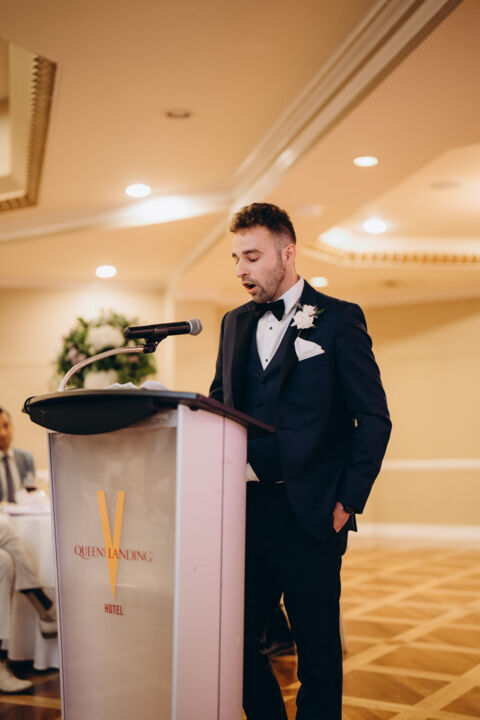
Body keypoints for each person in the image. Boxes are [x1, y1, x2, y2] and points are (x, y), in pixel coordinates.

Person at [209, 203, 391, 719]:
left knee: (318, 655)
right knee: (237, 648)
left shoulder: (339, 319)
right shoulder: (232, 324)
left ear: (287, 254)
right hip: (245, 513)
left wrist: (346, 503)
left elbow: (374, 419)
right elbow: (219, 407)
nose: (240, 269)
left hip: (312, 514)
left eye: (252, 257)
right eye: (236, 258)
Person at [0, 407, 57, 694]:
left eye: (5, 426)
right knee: (6, 532)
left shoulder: (23, 458)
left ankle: (2, 662)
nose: (2, 433)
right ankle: (43, 604)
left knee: (5, 562)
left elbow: (31, 491)